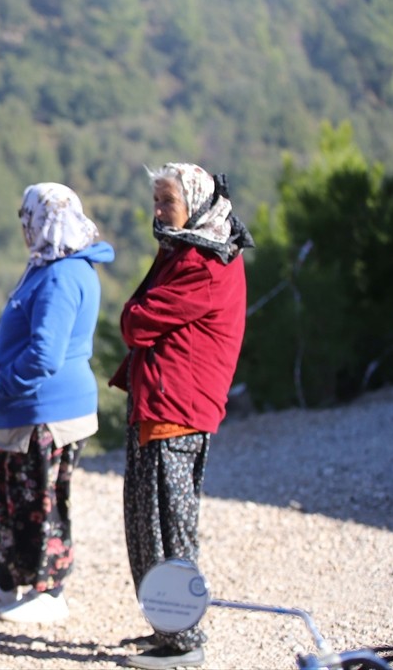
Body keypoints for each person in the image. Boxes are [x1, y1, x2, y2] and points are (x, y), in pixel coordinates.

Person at [109, 163, 252, 670]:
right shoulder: (187, 252)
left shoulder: (204, 264)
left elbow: (136, 320)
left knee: (168, 530)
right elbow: (139, 318)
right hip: (161, 407)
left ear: (194, 202)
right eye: (156, 202)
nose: (158, 213)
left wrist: (135, 312)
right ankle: (169, 631)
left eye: (167, 202)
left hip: (176, 411)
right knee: (148, 525)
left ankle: (185, 640)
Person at [0, 183, 114, 624]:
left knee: (42, 501)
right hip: (25, 411)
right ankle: (7, 584)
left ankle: (50, 590)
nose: (24, 227)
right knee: (11, 499)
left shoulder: (63, 274)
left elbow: (45, 354)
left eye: (29, 217)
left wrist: (1, 386)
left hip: (46, 411)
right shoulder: (50, 265)